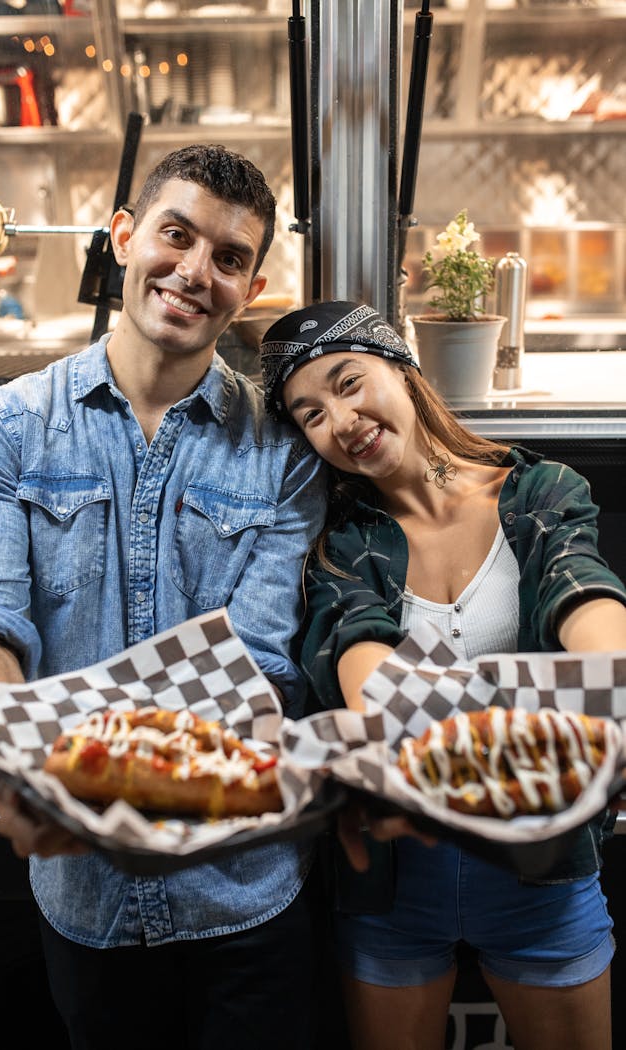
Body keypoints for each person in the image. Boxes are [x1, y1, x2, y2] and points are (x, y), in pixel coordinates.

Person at [0, 145, 327, 1050]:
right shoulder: (5, 427)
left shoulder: (284, 454)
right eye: (176, 237)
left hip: (244, 899)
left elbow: (256, 664)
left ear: (252, 285)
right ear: (121, 238)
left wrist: (90, 768)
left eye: (229, 259)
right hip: (88, 907)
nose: (194, 274)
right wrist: (7, 751)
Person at [259, 299, 626, 1050]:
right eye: (310, 413)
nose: (341, 418)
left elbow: (577, 586)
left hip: (542, 872)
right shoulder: (338, 541)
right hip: (395, 883)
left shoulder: (537, 492)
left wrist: (614, 682)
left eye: (350, 381)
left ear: (401, 367)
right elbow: (356, 646)